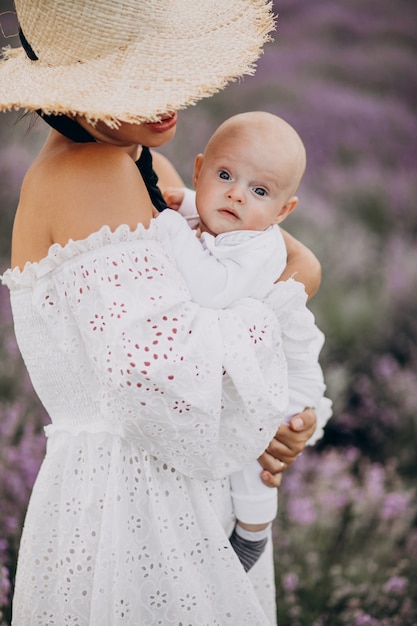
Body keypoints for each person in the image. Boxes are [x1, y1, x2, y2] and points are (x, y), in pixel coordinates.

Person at [0, 1, 319, 624]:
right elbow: (161, 378)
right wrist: (299, 284)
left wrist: (272, 420)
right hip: (132, 501)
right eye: (132, 81)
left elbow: (267, 250)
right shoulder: (86, 173)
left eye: (164, 71)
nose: (164, 97)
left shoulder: (144, 164)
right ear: (71, 89)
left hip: (177, 481)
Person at [153, 111, 332, 572]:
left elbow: (212, 289)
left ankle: (254, 530)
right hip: (256, 366)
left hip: (286, 378)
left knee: (257, 454)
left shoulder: (258, 246)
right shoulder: (226, 216)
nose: (235, 194)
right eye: (225, 175)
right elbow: (210, 207)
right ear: (198, 171)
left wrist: (171, 225)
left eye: (259, 191)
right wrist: (187, 202)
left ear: (283, 212)